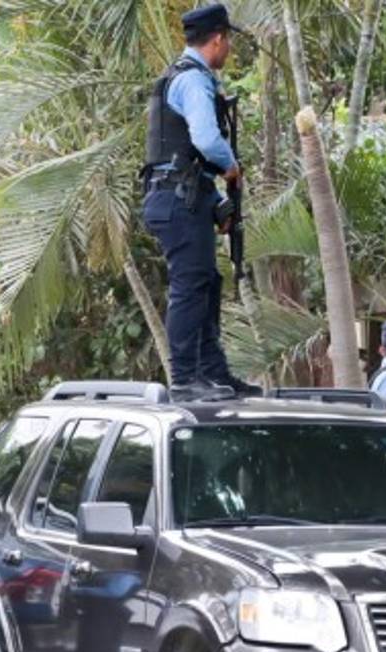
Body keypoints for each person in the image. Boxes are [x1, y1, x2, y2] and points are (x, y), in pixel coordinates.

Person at [142, 3, 260, 400]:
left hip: (181, 197)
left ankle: (213, 374)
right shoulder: (193, 80)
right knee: (190, 287)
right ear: (218, 39)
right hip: (179, 201)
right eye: (228, 42)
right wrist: (231, 167)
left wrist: (216, 200)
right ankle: (184, 380)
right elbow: (207, 140)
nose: (229, 50)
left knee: (205, 284)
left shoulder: (180, 75)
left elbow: (188, 158)